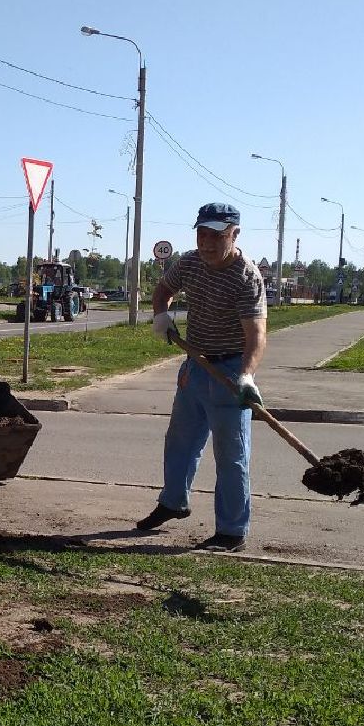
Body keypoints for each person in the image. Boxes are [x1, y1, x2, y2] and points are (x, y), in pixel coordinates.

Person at [136, 202, 267, 552]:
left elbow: (256, 334)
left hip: (229, 371)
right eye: (202, 234)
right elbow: (163, 289)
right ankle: (173, 502)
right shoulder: (190, 263)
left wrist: (247, 376)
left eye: (216, 236)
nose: (207, 243)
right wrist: (160, 316)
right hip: (195, 366)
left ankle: (231, 530)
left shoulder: (246, 276)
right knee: (180, 440)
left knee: (231, 455)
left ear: (234, 234)